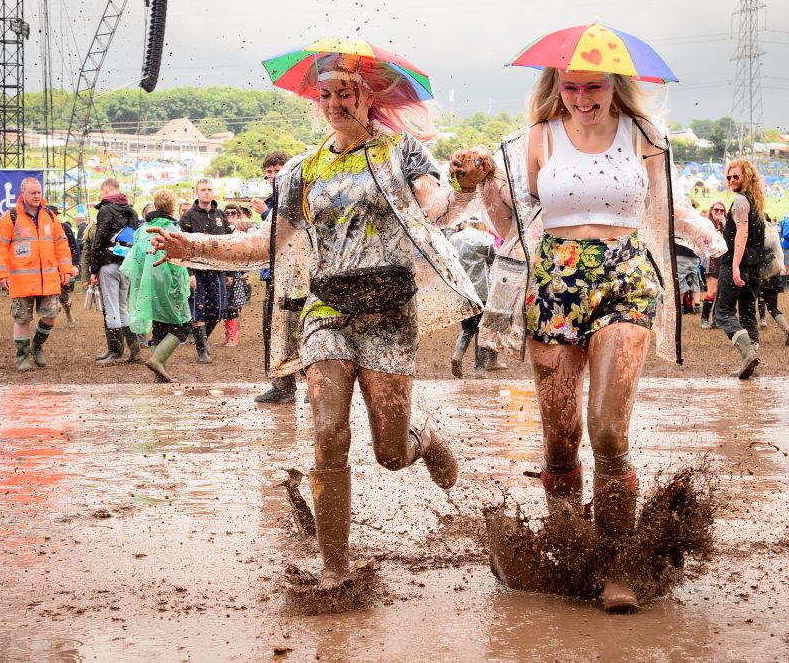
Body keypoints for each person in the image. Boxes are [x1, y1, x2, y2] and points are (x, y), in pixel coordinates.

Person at [148, 50, 487, 592]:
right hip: (325, 311)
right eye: (324, 95)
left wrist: (465, 186)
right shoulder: (302, 170)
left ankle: (424, 439)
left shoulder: (401, 153)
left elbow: (439, 212)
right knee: (329, 434)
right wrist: (191, 244)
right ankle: (335, 568)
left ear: (368, 96)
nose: (333, 104)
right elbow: (267, 244)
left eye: (343, 93)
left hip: (389, 313)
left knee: (390, 452)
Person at [475, 66, 724, 612]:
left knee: (608, 431)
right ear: (556, 86)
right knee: (561, 442)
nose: (582, 99)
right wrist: (485, 185)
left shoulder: (646, 134)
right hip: (555, 282)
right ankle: (570, 552)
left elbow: (663, 207)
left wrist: (701, 231)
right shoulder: (537, 138)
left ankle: (618, 565)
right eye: (571, 87)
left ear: (615, 85)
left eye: (595, 86)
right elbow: (507, 221)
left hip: (626, 277)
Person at [0, 178, 74, 371]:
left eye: (39, 192)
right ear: (23, 194)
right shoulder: (9, 218)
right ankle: (22, 358)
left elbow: (61, 245)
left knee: (51, 316)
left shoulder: (51, 217)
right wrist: (1, 274)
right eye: (33, 193)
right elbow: (0, 247)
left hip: (49, 279)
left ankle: (36, 346)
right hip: (21, 280)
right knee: (22, 319)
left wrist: (66, 270)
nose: (37, 196)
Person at [121, 189, 192, 383]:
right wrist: (183, 284)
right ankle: (158, 360)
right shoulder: (172, 230)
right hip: (168, 283)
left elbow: (133, 260)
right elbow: (179, 262)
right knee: (183, 324)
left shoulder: (141, 230)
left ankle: (157, 375)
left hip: (147, 284)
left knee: (160, 325)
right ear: (172, 207)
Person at [251, 151, 300, 404]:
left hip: (295, 277)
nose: (272, 176)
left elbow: (285, 233)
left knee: (298, 329)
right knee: (273, 330)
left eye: (277, 171)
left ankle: (314, 384)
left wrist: (263, 213)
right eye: (268, 172)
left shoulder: (295, 199)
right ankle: (283, 385)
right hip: (272, 275)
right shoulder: (274, 200)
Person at [714, 158, 766, 379]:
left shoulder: (740, 200)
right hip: (755, 266)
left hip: (738, 264)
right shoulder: (755, 201)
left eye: (736, 176)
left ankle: (747, 354)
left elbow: (742, 235)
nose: (731, 180)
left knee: (723, 312)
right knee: (747, 312)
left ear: (747, 176)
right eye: (728, 177)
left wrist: (734, 266)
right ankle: (751, 358)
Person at [90, 178, 141, 365]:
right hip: (126, 265)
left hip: (108, 263)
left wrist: (93, 269)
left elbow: (99, 241)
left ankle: (115, 351)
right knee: (122, 307)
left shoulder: (105, 210)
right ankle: (135, 350)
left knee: (111, 307)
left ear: (105, 191)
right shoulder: (132, 211)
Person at [179, 178, 229, 364]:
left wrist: (230, 271)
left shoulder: (220, 215)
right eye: (203, 190)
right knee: (197, 309)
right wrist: (189, 272)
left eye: (209, 189)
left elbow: (228, 245)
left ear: (213, 192)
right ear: (197, 193)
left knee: (218, 309)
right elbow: (183, 247)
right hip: (197, 270)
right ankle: (202, 352)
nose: (206, 192)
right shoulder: (188, 216)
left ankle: (203, 338)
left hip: (217, 269)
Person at [448, 216, 497, 377]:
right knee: (481, 329)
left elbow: (449, 260)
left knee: (467, 327)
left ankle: (458, 354)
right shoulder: (487, 238)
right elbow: (493, 260)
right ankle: (480, 369)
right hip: (482, 291)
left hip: (462, 291)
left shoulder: (454, 238)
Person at [219, 203, 253, 348]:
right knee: (226, 305)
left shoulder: (244, 232)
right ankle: (227, 336)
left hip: (238, 273)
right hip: (225, 271)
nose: (230, 216)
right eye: (228, 213)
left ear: (239, 215)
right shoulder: (223, 230)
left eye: (234, 213)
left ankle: (233, 337)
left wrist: (246, 272)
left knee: (233, 306)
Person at [700, 201, 727, 330]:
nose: (719, 213)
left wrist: (725, 227)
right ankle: (704, 318)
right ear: (711, 211)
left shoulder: (727, 226)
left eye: (722, 211)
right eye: (716, 210)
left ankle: (717, 319)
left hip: (725, 261)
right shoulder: (707, 225)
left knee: (722, 291)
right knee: (713, 290)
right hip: (711, 260)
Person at [58, 218, 79, 328]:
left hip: (62, 267)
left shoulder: (65, 228)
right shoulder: (40, 228)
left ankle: (68, 314)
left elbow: (74, 247)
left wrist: (74, 264)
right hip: (46, 267)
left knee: (63, 296)